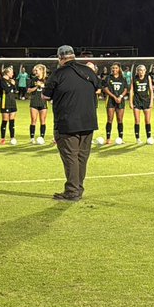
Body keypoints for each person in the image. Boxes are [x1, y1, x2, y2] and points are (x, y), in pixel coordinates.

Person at [42, 46, 101, 201]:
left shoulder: (58, 73)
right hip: (88, 121)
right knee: (82, 156)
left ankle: (72, 191)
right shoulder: (88, 72)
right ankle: (78, 188)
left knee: (70, 157)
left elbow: (45, 97)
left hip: (67, 122)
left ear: (60, 58)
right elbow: (98, 89)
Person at [103, 63, 129, 145]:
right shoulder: (108, 78)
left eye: (116, 68)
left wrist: (120, 96)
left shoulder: (122, 78)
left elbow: (125, 89)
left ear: (119, 69)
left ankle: (120, 138)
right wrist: (114, 97)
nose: (114, 70)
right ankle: (108, 138)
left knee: (120, 120)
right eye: (113, 68)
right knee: (110, 119)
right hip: (111, 100)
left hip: (120, 100)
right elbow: (105, 89)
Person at [131, 64, 154, 145]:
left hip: (146, 100)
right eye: (140, 70)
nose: (141, 72)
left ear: (145, 71)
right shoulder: (134, 78)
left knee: (147, 120)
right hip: (137, 101)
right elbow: (131, 91)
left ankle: (149, 137)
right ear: (137, 71)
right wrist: (131, 102)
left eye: (143, 70)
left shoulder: (147, 78)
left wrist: (151, 101)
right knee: (137, 120)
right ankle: (137, 138)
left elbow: (151, 90)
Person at [0, 65, 20, 145]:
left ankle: (12, 138)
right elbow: (6, 90)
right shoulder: (2, 81)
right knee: (5, 120)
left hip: (12, 102)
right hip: (5, 103)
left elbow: (15, 90)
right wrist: (12, 85)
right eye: (11, 72)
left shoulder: (11, 80)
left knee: (12, 121)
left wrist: (14, 85)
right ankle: (3, 138)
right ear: (7, 73)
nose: (13, 74)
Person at [27, 63, 49, 145]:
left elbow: (49, 90)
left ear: (41, 71)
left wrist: (43, 86)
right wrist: (36, 87)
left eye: (37, 70)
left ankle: (42, 137)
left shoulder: (47, 80)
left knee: (42, 120)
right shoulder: (33, 79)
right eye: (35, 70)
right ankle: (32, 138)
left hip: (43, 103)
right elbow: (28, 90)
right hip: (34, 102)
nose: (35, 72)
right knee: (33, 120)